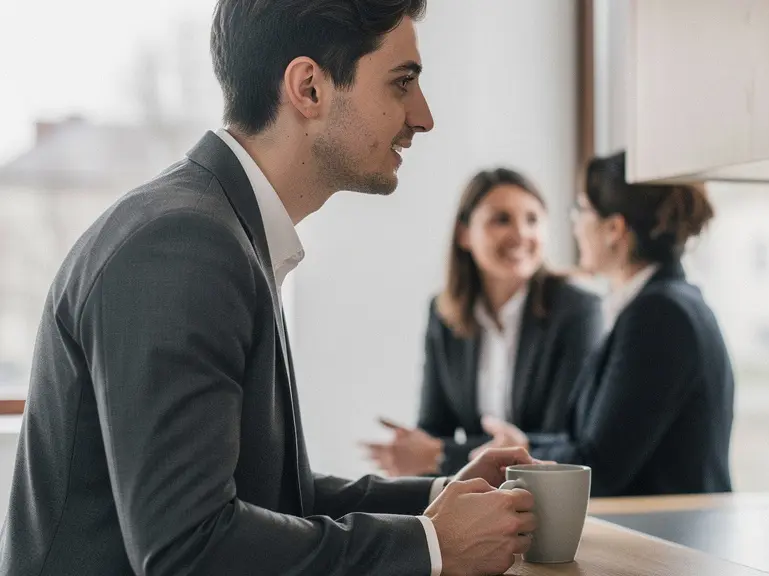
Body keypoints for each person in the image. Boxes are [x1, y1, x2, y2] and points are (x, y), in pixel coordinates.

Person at [0, 2, 542, 575]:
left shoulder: (220, 227)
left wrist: (438, 497)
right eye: (402, 82)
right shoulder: (184, 245)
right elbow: (190, 548)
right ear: (308, 88)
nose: (424, 116)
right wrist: (432, 547)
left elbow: (269, 499)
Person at [477, 151, 735, 498]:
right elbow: (594, 444)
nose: (574, 223)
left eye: (581, 209)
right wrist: (523, 444)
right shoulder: (663, 302)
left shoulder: (658, 314)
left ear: (614, 229)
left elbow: (599, 466)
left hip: (672, 539)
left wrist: (525, 452)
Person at [366, 168, 602, 477]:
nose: (520, 234)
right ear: (464, 234)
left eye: (532, 219)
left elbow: (561, 436)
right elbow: (436, 427)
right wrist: (415, 451)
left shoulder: (577, 310)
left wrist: (440, 455)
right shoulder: (443, 313)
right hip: (483, 495)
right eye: (501, 219)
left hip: (549, 493)